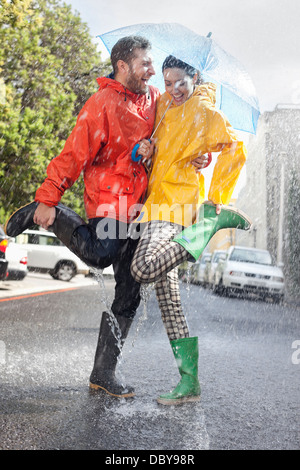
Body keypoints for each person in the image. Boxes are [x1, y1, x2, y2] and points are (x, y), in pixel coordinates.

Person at [5, 36, 160, 399]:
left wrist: (164, 150)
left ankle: (103, 373)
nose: (151, 70)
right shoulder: (101, 103)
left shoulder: (155, 100)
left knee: (130, 288)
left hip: (141, 207)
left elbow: (178, 127)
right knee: (102, 253)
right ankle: (54, 214)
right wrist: (48, 197)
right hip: (108, 201)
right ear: (123, 65)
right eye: (144, 64)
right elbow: (74, 153)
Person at [129, 55, 251, 405]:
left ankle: (213, 222)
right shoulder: (165, 104)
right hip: (155, 200)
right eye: (167, 82)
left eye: (180, 81)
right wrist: (147, 151)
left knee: (142, 268)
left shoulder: (204, 109)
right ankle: (189, 384)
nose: (173, 89)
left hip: (177, 206)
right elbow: (163, 151)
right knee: (170, 303)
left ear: (195, 77)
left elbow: (233, 147)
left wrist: (216, 197)